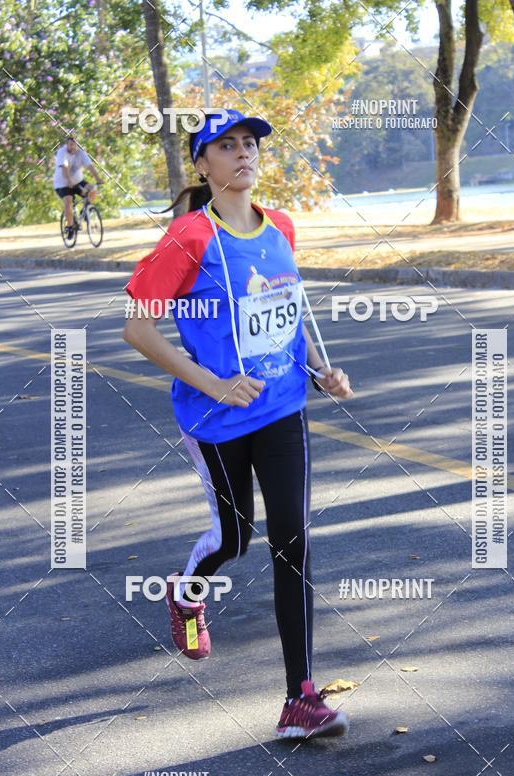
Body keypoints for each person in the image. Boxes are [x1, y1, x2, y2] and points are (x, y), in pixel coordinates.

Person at [123, 108, 355, 740]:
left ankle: (300, 697)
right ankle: (187, 592)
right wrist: (215, 385)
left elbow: (286, 313)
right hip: (215, 420)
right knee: (234, 539)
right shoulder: (189, 238)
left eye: (249, 143)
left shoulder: (280, 226)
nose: (242, 153)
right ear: (202, 163)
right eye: (225, 146)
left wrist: (318, 371)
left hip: (283, 410)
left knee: (293, 542)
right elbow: (138, 328)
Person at [53, 134, 98, 240]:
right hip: (62, 184)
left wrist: (97, 178)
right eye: (70, 144)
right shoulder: (62, 152)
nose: (72, 147)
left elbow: (89, 166)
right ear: (66, 145)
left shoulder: (81, 153)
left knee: (93, 189)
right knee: (68, 201)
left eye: (74, 145)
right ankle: (69, 227)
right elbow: (64, 167)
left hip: (78, 181)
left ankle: (85, 210)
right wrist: (68, 180)